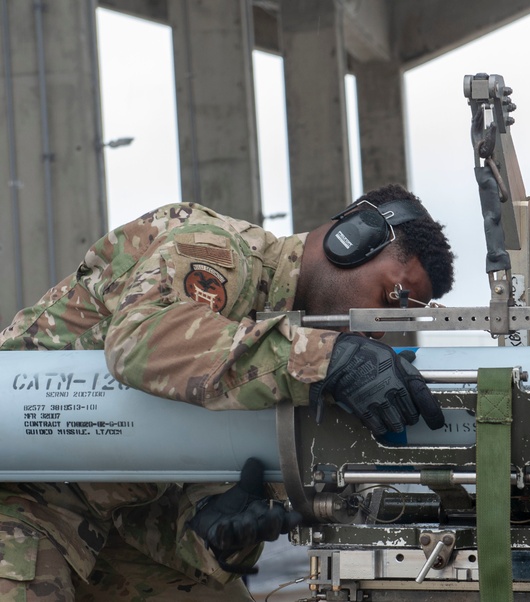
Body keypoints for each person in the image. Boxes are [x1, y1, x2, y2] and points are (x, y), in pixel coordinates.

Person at [0, 183, 455, 600]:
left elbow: (154, 511)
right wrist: (326, 358)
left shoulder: (289, 366)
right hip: (19, 483)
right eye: (392, 298)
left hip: (92, 519)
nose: (378, 332)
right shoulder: (222, 251)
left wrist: (215, 529)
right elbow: (140, 340)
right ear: (353, 239)